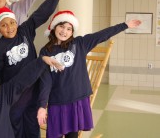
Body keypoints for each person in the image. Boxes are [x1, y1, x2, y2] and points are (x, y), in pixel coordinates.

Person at [0, 0, 72, 138]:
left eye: (12, 23)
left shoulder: (24, 30)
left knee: (32, 126)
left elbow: (41, 13)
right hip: (15, 96)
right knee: (16, 127)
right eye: (4, 25)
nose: (10, 28)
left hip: (33, 89)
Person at [37, 10, 142, 138]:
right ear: (54, 27)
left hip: (77, 98)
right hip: (57, 100)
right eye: (62, 26)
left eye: (69, 29)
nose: (64, 31)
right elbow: (45, 81)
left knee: (72, 134)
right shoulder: (45, 51)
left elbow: (102, 35)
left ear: (72, 32)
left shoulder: (79, 43)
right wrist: (42, 106)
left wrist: (124, 25)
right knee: (54, 135)